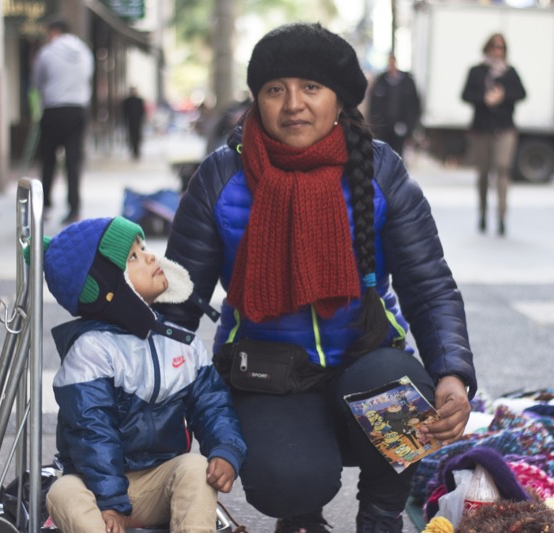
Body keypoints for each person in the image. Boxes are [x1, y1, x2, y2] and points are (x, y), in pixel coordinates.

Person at [159, 23, 476, 533]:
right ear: (257, 100)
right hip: (267, 373)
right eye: (274, 90)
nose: (293, 105)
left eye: (311, 88)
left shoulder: (379, 171)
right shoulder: (221, 178)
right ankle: (301, 518)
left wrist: (454, 374)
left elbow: (429, 284)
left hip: (365, 357)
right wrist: (147, 389)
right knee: (287, 478)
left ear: (339, 100)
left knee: (397, 385)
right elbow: (176, 300)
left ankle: (380, 514)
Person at [41, 216, 247, 533]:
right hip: (96, 488)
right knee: (63, 492)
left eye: (144, 248)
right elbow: (93, 433)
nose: (150, 256)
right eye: (133, 257)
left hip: (156, 481)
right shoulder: (91, 350)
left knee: (194, 467)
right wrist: (111, 503)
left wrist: (226, 450)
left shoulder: (180, 343)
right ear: (108, 288)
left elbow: (212, 404)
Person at [461, 33, 526, 236]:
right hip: (482, 129)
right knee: (483, 173)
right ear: (488, 48)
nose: (498, 51)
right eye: (495, 47)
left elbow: (522, 93)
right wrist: (485, 98)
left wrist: (503, 96)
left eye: (502, 48)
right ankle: (482, 213)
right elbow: (465, 95)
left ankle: (501, 216)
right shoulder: (476, 71)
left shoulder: (510, 72)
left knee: (503, 170)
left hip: (504, 129)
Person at [32, 18, 93, 225]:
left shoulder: (46, 53)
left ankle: (45, 205)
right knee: (73, 163)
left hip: (53, 110)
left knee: (48, 160)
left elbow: (37, 82)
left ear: (54, 31)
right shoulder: (85, 52)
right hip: (77, 110)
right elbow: (88, 78)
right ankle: (74, 208)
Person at [367, 52, 421, 157]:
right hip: (383, 127)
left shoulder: (407, 82)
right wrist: (373, 124)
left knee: (398, 152)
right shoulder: (381, 81)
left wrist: (411, 125)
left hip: (401, 125)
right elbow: (373, 105)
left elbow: (415, 105)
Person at [120, 86, 146, 161]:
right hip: (130, 121)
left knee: (137, 135)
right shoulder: (127, 101)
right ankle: (133, 150)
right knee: (131, 136)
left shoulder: (139, 100)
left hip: (137, 121)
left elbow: (142, 111)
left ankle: (137, 150)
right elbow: (124, 112)